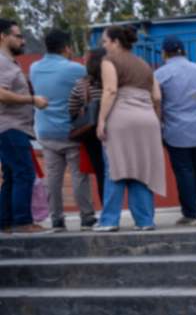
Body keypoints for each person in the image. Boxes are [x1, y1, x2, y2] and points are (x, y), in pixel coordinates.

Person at [94, 25, 165, 232]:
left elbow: (110, 90)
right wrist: (155, 119)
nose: (104, 46)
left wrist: (101, 120)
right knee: (141, 170)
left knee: (116, 168)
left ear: (115, 42)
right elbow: (157, 97)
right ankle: (145, 221)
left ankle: (109, 221)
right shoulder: (144, 64)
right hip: (147, 119)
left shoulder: (109, 61)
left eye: (105, 41)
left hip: (122, 117)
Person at [154, 35, 196, 226]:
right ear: (184, 51)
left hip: (176, 132)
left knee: (184, 172)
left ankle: (191, 215)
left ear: (164, 53)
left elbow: (155, 101)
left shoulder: (160, 74)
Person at [30, 28, 92, 231]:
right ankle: (86, 217)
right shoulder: (75, 69)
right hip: (70, 131)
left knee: (53, 178)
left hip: (45, 132)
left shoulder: (34, 68)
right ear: (67, 47)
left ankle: (56, 219)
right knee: (78, 175)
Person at [0, 18, 47, 234]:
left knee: (12, 175)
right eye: (18, 36)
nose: (23, 40)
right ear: (3, 36)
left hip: (13, 127)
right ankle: (22, 221)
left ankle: (6, 221)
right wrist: (31, 100)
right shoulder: (1, 62)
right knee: (24, 173)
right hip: (10, 127)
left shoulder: (9, 63)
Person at [68, 48, 106, 206]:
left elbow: (71, 108)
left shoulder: (82, 84)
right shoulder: (112, 81)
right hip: (114, 130)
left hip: (92, 133)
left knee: (100, 172)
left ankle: (107, 210)